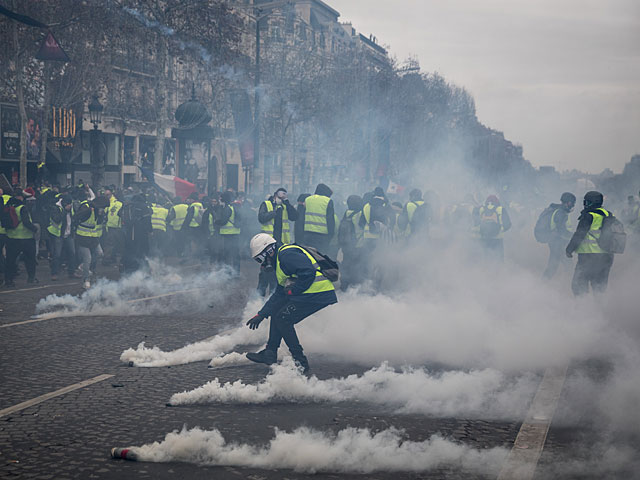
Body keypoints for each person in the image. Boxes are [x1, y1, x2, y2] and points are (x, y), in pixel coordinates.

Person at [245, 233, 338, 373]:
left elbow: (308, 272)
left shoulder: (286, 255)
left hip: (317, 293)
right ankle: (270, 353)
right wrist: (262, 314)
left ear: (269, 251)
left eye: (260, 259)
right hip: (310, 293)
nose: (262, 264)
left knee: (283, 319)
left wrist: (293, 291)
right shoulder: (280, 261)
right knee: (277, 312)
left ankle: (300, 362)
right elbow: (279, 293)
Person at [566, 191, 615, 296]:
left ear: (592, 202)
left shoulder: (589, 216)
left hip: (588, 257)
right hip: (607, 257)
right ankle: (599, 310)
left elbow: (579, 234)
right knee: (599, 288)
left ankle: (582, 309)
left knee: (578, 285)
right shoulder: (608, 214)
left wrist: (569, 249)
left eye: (587, 202)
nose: (585, 205)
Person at [257, 188, 298, 296]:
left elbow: (295, 217)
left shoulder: (285, 206)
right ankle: (259, 297)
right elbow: (261, 218)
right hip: (267, 243)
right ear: (275, 195)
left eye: (284, 195)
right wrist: (274, 213)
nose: (282, 198)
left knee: (277, 272)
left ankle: (272, 296)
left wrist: (287, 203)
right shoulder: (266, 204)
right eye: (281, 196)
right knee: (266, 271)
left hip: (281, 244)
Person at [4, 189, 38, 287]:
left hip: (11, 238)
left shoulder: (8, 206)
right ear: (20, 197)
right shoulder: (22, 208)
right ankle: (31, 278)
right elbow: (26, 222)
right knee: (30, 260)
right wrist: (34, 229)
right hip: (26, 238)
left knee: (10, 260)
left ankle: (8, 280)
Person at [73, 195, 108, 289]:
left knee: (100, 254)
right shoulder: (88, 210)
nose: (103, 210)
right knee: (87, 259)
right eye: (102, 208)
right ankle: (86, 280)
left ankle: (82, 266)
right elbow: (75, 217)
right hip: (83, 238)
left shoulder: (100, 214)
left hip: (94, 238)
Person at [542, 192, 576, 280]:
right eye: (572, 203)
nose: (573, 205)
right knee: (559, 265)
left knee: (556, 265)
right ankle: (543, 283)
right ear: (568, 203)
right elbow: (561, 231)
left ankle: (544, 282)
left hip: (556, 243)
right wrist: (574, 237)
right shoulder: (561, 213)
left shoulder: (560, 211)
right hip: (558, 243)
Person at [472, 195, 511, 262]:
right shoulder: (501, 209)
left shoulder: (480, 209)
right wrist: (501, 230)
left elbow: (475, 222)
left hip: (483, 238)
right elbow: (508, 224)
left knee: (485, 258)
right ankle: (499, 272)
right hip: (497, 239)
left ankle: (485, 271)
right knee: (498, 259)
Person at [47, 194, 77, 280]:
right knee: (57, 254)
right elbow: (57, 219)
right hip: (58, 235)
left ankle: (72, 272)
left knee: (72, 253)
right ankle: (54, 273)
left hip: (69, 234)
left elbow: (73, 219)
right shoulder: (55, 208)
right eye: (68, 204)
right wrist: (65, 211)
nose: (70, 206)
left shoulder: (71, 208)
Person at [338, 194, 364, 291]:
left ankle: (344, 287)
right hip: (358, 245)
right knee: (356, 268)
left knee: (346, 266)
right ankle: (355, 288)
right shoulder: (360, 214)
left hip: (346, 246)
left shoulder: (347, 214)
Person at [303, 183, 335, 252]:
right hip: (322, 236)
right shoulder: (328, 201)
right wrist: (331, 234)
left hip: (308, 234)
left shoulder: (307, 200)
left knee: (309, 254)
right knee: (321, 255)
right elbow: (330, 219)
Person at [214, 191, 241, 272]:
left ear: (224, 199)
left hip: (228, 234)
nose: (219, 200)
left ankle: (228, 272)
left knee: (227, 254)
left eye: (220, 198)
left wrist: (216, 222)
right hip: (235, 233)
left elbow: (224, 221)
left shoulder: (227, 208)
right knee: (235, 254)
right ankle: (236, 272)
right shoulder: (233, 207)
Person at [103, 187, 124, 265]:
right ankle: (110, 259)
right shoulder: (116, 203)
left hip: (114, 227)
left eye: (107, 195)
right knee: (113, 244)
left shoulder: (113, 203)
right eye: (105, 195)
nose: (106, 196)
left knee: (111, 244)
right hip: (114, 227)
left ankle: (108, 259)